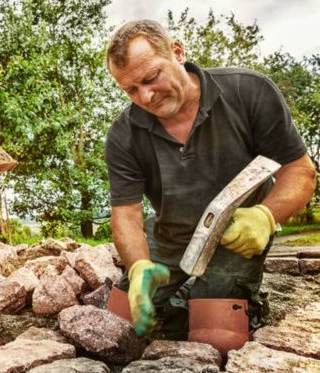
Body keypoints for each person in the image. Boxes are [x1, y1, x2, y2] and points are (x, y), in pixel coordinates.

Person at [104, 19, 317, 337]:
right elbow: (126, 214)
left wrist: (266, 216)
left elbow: (300, 170)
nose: (145, 97)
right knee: (119, 323)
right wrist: (138, 267)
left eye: (150, 78)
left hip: (237, 234)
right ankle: (181, 300)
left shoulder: (248, 90)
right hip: (170, 236)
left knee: (215, 334)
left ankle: (236, 301)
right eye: (130, 89)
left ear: (177, 52)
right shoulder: (124, 134)